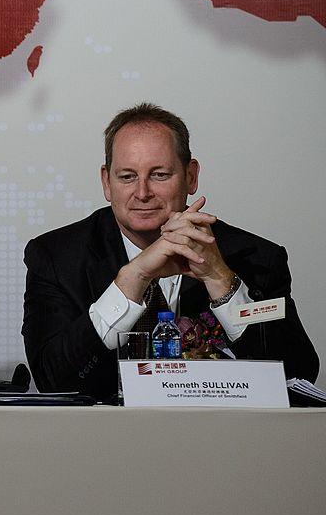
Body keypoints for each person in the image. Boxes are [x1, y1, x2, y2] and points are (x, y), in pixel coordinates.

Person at [22, 103, 318, 399]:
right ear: (106, 182)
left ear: (191, 176)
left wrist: (220, 280)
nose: (142, 192)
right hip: (100, 440)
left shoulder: (256, 258)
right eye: (127, 176)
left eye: (159, 175)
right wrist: (132, 279)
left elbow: (296, 375)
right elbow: (54, 382)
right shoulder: (55, 256)